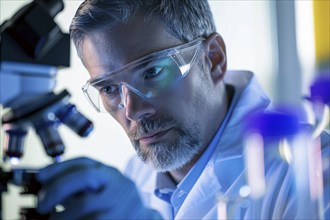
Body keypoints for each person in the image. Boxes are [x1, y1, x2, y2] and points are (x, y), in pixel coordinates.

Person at [36, 0, 330, 219]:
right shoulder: (136, 175)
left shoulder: (312, 172)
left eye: (151, 72)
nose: (133, 111)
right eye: (109, 89)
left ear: (213, 59)